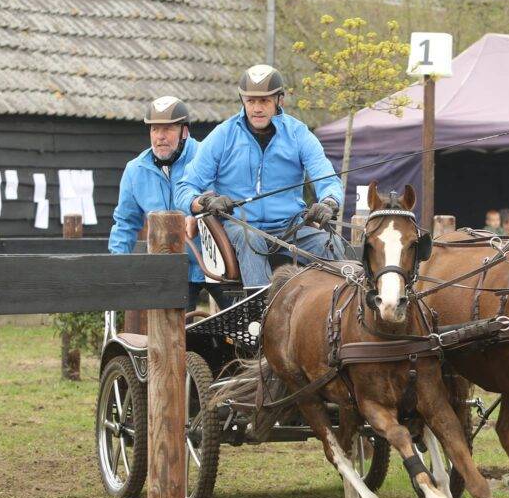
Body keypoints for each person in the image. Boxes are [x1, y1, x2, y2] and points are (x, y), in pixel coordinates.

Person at [175, 64, 344, 287]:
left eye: (264, 101)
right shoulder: (222, 135)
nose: (256, 108)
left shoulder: (299, 134)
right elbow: (184, 188)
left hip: (291, 227)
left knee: (329, 243)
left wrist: (329, 202)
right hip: (240, 226)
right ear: (242, 100)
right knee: (251, 239)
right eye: (251, 101)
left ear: (279, 100)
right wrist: (204, 201)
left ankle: (340, 304)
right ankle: (259, 305)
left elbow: (327, 179)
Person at [109, 96, 230, 312]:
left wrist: (201, 217)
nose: (160, 136)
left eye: (168, 129)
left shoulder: (207, 157)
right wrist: (117, 266)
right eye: (155, 129)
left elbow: (227, 202)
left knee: (241, 325)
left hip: (217, 261)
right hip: (171, 268)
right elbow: (125, 223)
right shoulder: (135, 170)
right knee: (173, 329)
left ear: (184, 131)